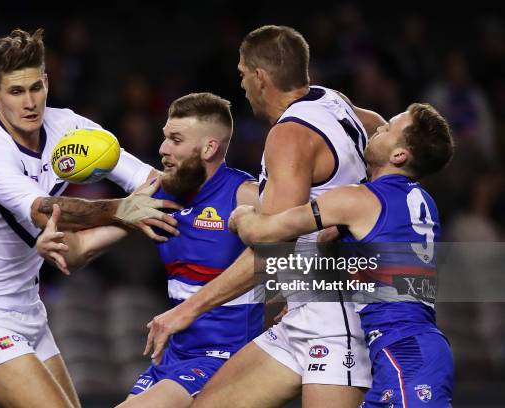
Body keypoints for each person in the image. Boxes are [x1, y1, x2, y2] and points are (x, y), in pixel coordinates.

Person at [144, 25, 385, 407]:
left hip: (337, 323)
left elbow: (273, 252)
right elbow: (386, 138)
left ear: (260, 77)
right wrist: (362, 206)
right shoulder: (334, 102)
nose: (240, 84)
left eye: (241, 74)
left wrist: (186, 310)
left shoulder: (289, 135)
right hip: (303, 312)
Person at [0, 28, 179, 408]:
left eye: (36, 87)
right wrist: (122, 210)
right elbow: (45, 211)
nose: (30, 102)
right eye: (16, 92)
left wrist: (204, 187)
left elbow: (149, 181)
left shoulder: (69, 127)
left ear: (48, 82)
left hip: (30, 312)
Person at [37, 92, 264, 407]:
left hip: (225, 356)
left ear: (209, 148)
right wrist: (52, 244)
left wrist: (289, 310)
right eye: (164, 138)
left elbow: (303, 248)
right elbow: (76, 253)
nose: (162, 149)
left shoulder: (246, 196)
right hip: (173, 356)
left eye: (175, 139)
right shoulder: (159, 196)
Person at [230, 102, 455, 408]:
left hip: (404, 354)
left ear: (399, 155)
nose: (378, 128)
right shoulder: (422, 203)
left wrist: (241, 214)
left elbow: (266, 233)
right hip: (410, 348)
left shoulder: (357, 200)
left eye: (388, 128)